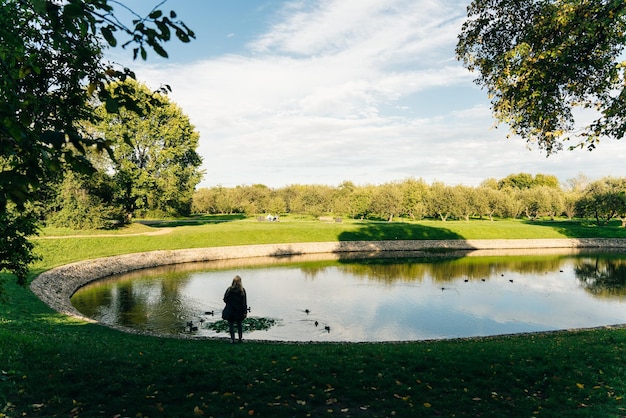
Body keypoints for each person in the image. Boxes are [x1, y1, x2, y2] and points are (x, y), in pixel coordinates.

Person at [222, 275, 248, 343]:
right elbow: (244, 302)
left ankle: (232, 339)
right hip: (239, 310)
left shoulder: (229, 290)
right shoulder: (242, 291)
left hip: (230, 310)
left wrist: (229, 303)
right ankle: (240, 339)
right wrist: (245, 312)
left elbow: (225, 299)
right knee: (239, 325)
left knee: (231, 325)